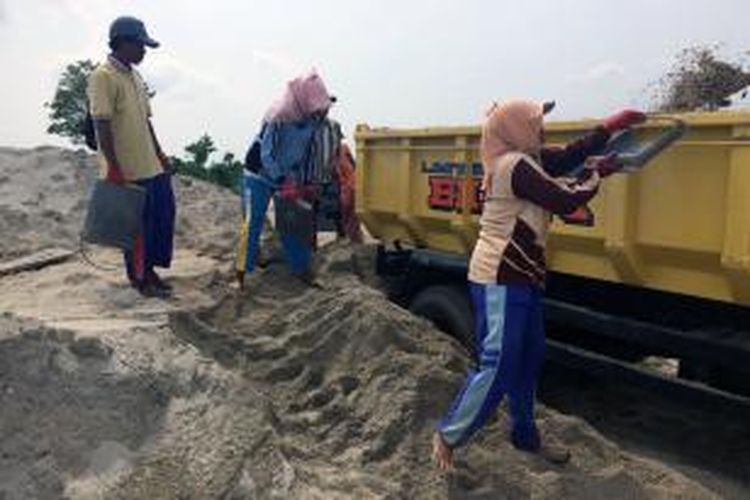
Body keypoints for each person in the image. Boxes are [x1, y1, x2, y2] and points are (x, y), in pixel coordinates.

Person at [432, 100, 646, 469]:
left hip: (523, 275)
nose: (542, 128)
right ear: (515, 128)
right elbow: (564, 199)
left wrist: (608, 128)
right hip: (499, 276)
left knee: (529, 357)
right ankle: (448, 435)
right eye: (535, 122)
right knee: (498, 363)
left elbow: (567, 157)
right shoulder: (514, 165)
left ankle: (525, 436)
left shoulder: (526, 158)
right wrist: (599, 174)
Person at [87, 16, 175, 298]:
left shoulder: (135, 76)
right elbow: (102, 123)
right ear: (123, 43)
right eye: (140, 45)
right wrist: (113, 167)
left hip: (150, 162)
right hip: (126, 168)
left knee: (162, 216)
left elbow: (146, 122)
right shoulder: (103, 76)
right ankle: (140, 279)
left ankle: (150, 270)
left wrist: (160, 153)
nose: (144, 51)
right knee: (136, 230)